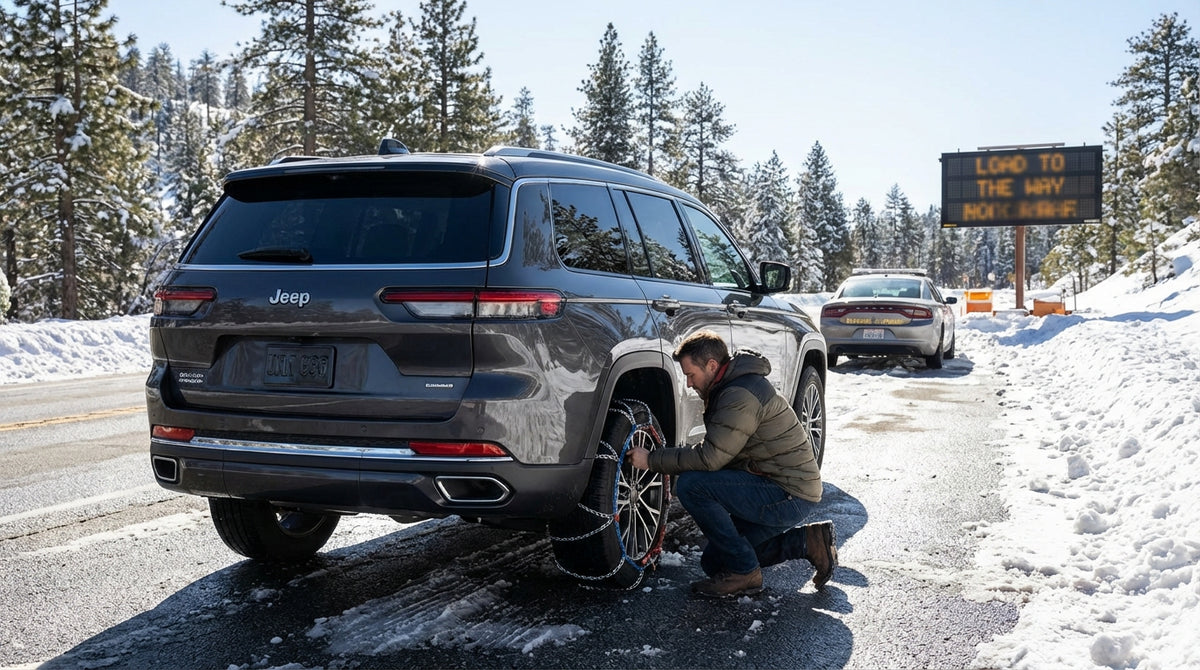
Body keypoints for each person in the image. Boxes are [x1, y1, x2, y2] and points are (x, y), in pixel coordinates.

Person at [629, 330, 838, 598]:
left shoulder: (739, 395)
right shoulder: (733, 386)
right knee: (714, 563)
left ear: (712, 366)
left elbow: (710, 457)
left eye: (691, 374)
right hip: (781, 486)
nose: (689, 383)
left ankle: (745, 573)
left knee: (692, 486)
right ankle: (808, 542)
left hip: (788, 493)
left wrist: (651, 460)